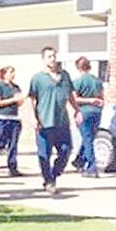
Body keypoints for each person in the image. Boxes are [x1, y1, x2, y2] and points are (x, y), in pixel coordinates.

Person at [29, 47, 83, 195]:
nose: (52, 59)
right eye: (49, 56)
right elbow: (32, 99)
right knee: (44, 154)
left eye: (54, 56)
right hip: (44, 122)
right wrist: (33, 117)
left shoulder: (65, 76)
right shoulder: (38, 78)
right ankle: (48, 180)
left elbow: (70, 95)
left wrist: (77, 110)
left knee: (66, 150)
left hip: (62, 121)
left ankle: (54, 173)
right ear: (44, 59)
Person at [0, 66, 25, 176]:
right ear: (4, 74)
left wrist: (20, 100)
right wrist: (13, 99)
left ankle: (12, 167)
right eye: (11, 72)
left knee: (13, 144)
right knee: (1, 141)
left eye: (13, 72)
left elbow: (20, 102)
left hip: (14, 117)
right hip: (2, 117)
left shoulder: (16, 87)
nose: (13, 74)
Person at [72, 57, 105, 178]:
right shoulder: (97, 81)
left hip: (84, 111)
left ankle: (91, 168)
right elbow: (102, 98)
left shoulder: (77, 82)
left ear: (78, 67)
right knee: (89, 138)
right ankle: (79, 160)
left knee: (87, 139)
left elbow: (74, 98)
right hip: (96, 112)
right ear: (89, 66)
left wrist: (88, 101)